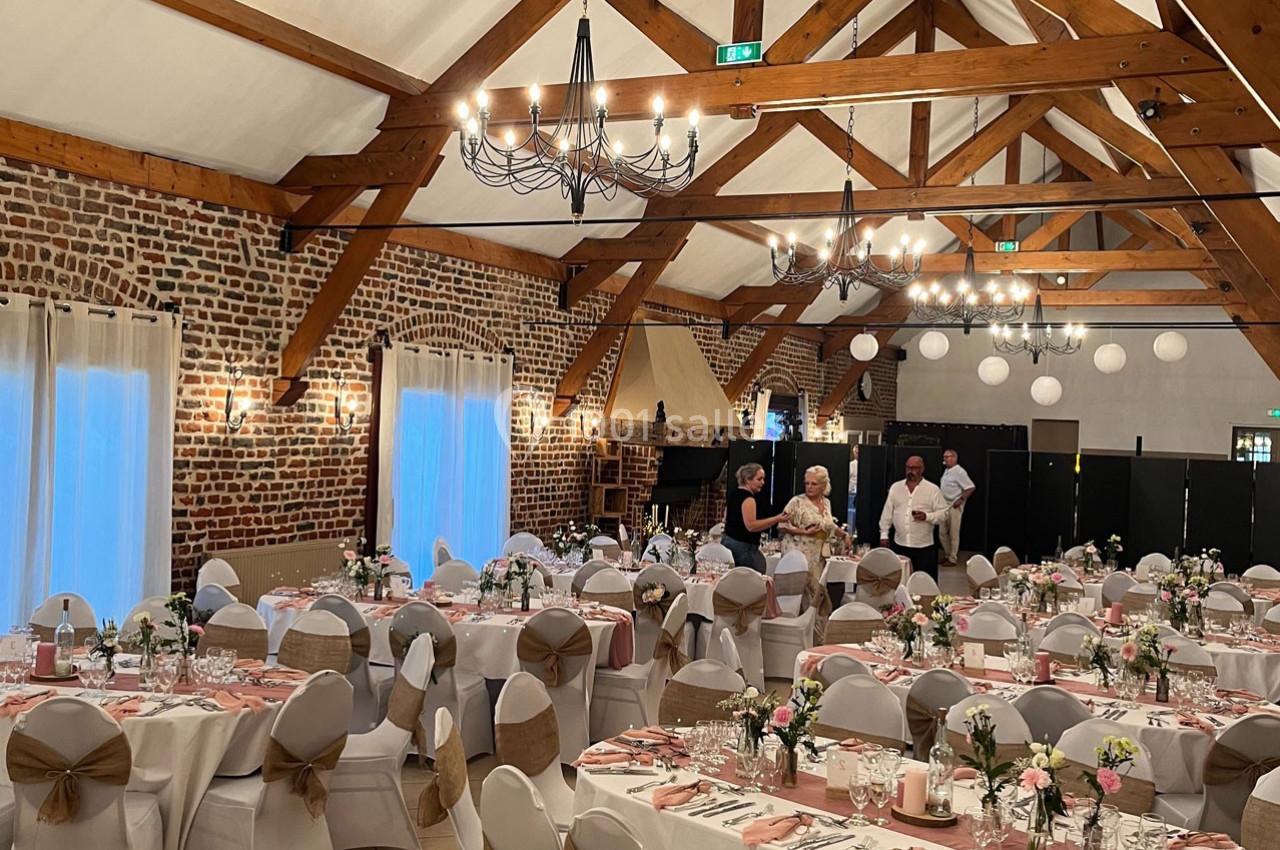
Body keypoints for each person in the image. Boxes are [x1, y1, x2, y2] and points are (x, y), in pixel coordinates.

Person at [780, 465, 852, 588]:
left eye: (814, 484)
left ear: (823, 486)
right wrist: (804, 531)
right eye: (807, 483)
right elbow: (781, 525)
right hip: (798, 555)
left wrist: (845, 535)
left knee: (815, 594)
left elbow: (829, 526)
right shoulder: (796, 502)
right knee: (798, 594)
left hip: (818, 556)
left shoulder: (826, 503)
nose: (809, 487)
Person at [878, 455, 949, 579]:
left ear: (922, 469)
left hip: (923, 547)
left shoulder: (932, 490)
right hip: (899, 544)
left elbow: (944, 514)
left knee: (922, 584)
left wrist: (927, 516)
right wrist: (884, 534)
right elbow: (887, 513)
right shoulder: (896, 487)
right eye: (908, 468)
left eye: (914, 468)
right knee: (898, 581)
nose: (910, 471)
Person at [723, 462, 789, 573]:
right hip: (743, 548)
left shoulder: (733, 494)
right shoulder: (748, 499)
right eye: (759, 479)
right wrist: (777, 518)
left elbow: (725, 518)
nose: (763, 483)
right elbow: (751, 526)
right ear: (748, 480)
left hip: (728, 542)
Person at [939, 448, 976, 567]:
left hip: (954, 506)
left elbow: (970, 487)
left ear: (954, 458)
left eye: (948, 457)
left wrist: (960, 499)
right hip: (943, 506)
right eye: (944, 457)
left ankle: (953, 558)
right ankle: (947, 554)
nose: (945, 459)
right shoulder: (946, 471)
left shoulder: (959, 472)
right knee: (942, 532)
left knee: (953, 533)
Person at [847, 445, 859, 530]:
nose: (857, 454)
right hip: (852, 493)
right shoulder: (851, 465)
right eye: (856, 452)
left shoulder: (866, 464)